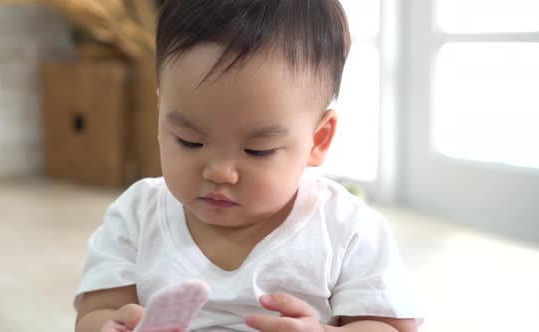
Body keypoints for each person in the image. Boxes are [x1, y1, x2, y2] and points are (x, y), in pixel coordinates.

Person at [74, 0, 422, 331]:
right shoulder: (136, 217)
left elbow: (391, 326)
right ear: (161, 114)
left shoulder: (346, 229)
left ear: (318, 141)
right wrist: (113, 326)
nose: (219, 172)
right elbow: (96, 311)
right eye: (189, 141)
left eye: (258, 150)